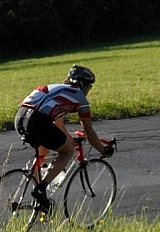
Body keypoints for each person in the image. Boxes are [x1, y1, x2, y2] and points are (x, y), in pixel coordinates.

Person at [15, 64, 114, 208]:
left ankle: (38, 200)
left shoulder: (58, 90)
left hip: (20, 118)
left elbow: (58, 123)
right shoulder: (80, 98)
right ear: (83, 85)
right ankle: (41, 189)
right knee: (68, 151)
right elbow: (90, 133)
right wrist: (103, 150)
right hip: (38, 121)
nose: (89, 90)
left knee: (43, 152)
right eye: (89, 86)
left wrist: (69, 138)